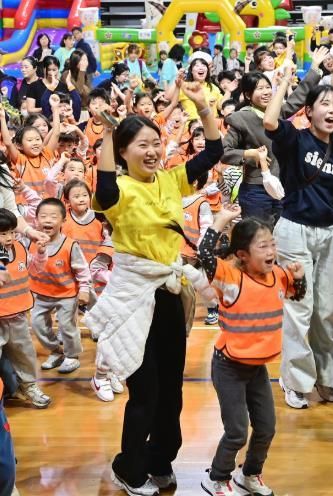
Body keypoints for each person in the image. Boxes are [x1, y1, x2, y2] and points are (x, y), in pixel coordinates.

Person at [83, 81, 223, 495]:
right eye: (142, 144)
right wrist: (108, 135)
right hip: (134, 295)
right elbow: (104, 188)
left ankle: (160, 459)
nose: (152, 151)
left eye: (156, 143)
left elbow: (213, 152)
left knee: (172, 391)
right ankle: (129, 468)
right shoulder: (118, 189)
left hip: (169, 293)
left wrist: (202, 106)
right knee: (145, 391)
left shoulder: (171, 179)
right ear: (124, 152)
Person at [263, 71, 333, 409]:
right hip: (294, 230)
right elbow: (270, 121)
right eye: (324, 103)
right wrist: (282, 83)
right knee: (299, 310)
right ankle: (296, 382)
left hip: (331, 234)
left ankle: (329, 379)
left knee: (328, 311)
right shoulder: (296, 139)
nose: (332, 109)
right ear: (309, 111)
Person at [198, 206, 306, 496]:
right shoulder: (231, 279)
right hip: (229, 367)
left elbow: (298, 294)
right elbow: (205, 255)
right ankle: (217, 478)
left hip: (257, 369)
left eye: (272, 244)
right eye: (263, 246)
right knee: (236, 432)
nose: (271, 251)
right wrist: (220, 221)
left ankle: (250, 474)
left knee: (266, 428)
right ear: (242, 254)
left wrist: (299, 277)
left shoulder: (278, 275)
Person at [222, 48, 328, 224]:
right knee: (257, 235)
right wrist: (250, 154)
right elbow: (224, 152)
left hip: (283, 187)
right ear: (248, 95)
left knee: (282, 236)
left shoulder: (276, 112)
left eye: (267, 87)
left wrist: (315, 67)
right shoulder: (241, 118)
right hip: (256, 190)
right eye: (259, 89)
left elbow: (298, 97)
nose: (266, 92)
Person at [29, 198, 91, 374]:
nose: (48, 220)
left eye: (53, 216)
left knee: (67, 326)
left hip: (66, 294)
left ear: (63, 221)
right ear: (36, 219)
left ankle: (72, 356)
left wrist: (84, 290)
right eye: (43, 216)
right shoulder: (31, 242)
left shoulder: (70, 245)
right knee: (37, 324)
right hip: (41, 294)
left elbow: (82, 270)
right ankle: (56, 351)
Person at [0, 208, 52, 408]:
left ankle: (29, 386)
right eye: (3, 233)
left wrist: (41, 253)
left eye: (12, 232)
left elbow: (36, 268)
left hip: (17, 316)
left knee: (25, 355)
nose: (9, 237)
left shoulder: (20, 248)